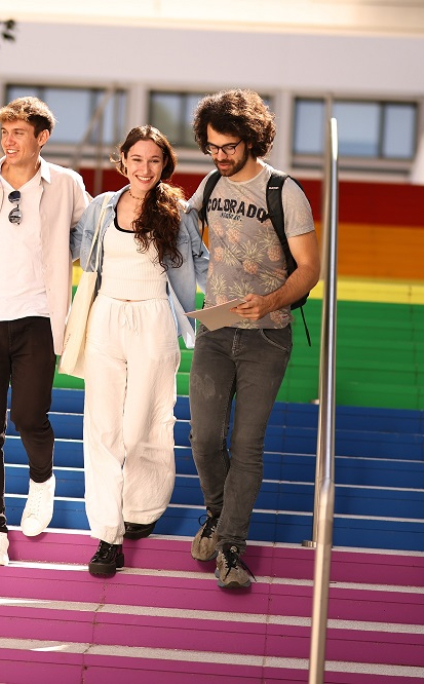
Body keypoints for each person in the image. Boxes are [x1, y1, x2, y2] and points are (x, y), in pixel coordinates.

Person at [187, 89, 320, 589]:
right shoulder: (209, 184)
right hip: (216, 331)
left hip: (268, 336)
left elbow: (310, 269)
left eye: (228, 147)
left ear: (252, 139)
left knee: (246, 444)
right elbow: (184, 232)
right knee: (203, 440)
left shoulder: (284, 192)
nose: (219, 156)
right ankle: (219, 518)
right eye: (212, 147)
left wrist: (269, 302)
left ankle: (231, 547)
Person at [0, 96, 89, 566]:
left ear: (41, 137)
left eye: (18, 133)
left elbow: (89, 238)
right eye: (5, 132)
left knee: (30, 416)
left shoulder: (67, 184)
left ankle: (41, 480)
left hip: (36, 317)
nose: (8, 141)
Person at [71, 126, 209, 577]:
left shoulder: (178, 211)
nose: (144, 168)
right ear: (123, 160)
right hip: (106, 317)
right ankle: (107, 536)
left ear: (163, 164)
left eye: (154, 160)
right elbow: (73, 251)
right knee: (103, 427)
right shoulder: (101, 206)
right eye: (136, 158)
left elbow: (202, 265)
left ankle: (143, 509)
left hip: (155, 318)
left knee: (147, 423)